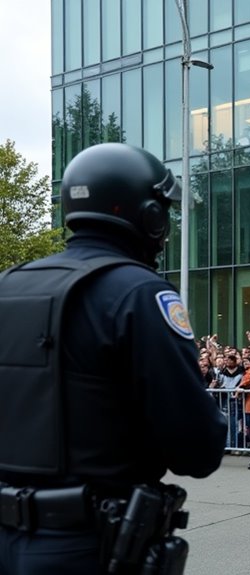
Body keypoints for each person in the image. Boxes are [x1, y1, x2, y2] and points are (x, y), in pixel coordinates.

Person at [0, 142, 227, 574]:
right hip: (81, 544)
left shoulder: (8, 286)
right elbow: (197, 449)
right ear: (149, 215)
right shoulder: (140, 294)